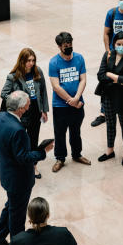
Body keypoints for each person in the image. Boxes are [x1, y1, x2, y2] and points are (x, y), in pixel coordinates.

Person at [0, 91, 54, 245]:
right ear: (22, 108)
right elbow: (23, 157)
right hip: (19, 180)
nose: (30, 106)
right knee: (17, 214)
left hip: (7, 174)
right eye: (28, 104)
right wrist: (43, 152)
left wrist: (5, 160)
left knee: (11, 205)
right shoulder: (18, 130)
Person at [0, 48, 49, 179]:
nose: (31, 63)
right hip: (21, 113)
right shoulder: (13, 76)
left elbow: (43, 92)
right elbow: (3, 94)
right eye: (28, 60)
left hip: (35, 111)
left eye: (33, 60)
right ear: (22, 61)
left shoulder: (38, 72)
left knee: (33, 139)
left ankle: (33, 166)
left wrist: (44, 110)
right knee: (20, 141)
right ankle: (19, 164)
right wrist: (16, 99)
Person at [95, 31, 123, 166]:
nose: (121, 46)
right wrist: (117, 80)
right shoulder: (108, 55)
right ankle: (110, 150)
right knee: (110, 123)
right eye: (118, 44)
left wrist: (111, 75)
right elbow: (100, 75)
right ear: (114, 44)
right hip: (108, 96)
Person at [48, 31, 90, 172]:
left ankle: (77, 154)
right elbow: (56, 86)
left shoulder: (79, 58)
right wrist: (70, 100)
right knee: (60, 133)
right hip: (60, 105)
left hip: (77, 103)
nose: (69, 47)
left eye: (70, 44)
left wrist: (77, 97)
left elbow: (83, 79)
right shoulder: (54, 62)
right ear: (59, 46)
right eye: (66, 45)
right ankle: (60, 158)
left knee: (75, 131)